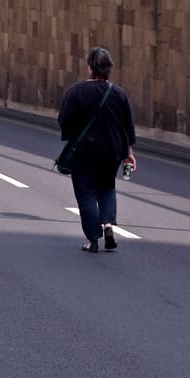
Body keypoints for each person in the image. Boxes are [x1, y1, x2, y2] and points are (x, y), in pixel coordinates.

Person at [57, 46, 136, 253]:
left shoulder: (77, 92)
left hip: (85, 152)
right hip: (112, 152)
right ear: (109, 69)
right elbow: (127, 126)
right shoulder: (118, 93)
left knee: (86, 193)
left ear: (90, 67)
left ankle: (93, 239)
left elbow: (64, 121)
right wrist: (129, 154)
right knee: (107, 187)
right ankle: (108, 224)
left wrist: (74, 136)